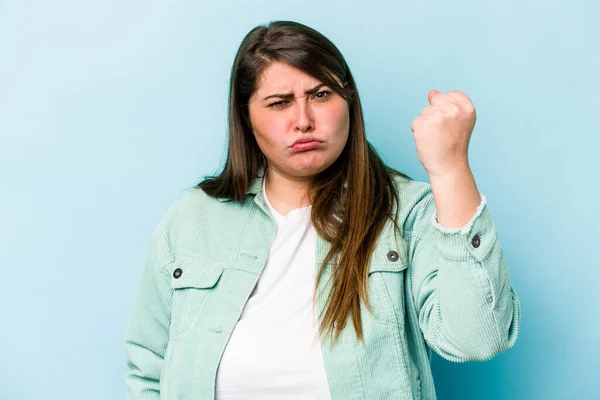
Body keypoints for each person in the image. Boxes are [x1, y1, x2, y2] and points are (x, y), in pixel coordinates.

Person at [124, 20, 520, 399]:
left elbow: (477, 340)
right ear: (246, 118)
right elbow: (147, 368)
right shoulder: (192, 217)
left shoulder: (406, 211)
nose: (303, 121)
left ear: (348, 100)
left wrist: (450, 168)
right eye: (279, 103)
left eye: (320, 95)